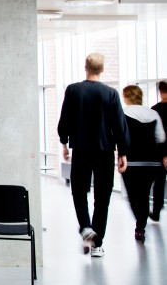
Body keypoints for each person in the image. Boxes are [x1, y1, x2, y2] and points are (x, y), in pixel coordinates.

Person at [57, 53, 130, 258]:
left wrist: (64, 142)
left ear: (85, 67)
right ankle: (97, 244)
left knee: (79, 191)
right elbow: (119, 126)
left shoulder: (73, 90)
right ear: (102, 69)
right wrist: (122, 152)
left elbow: (65, 120)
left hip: (81, 150)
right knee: (102, 197)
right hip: (105, 151)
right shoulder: (111, 94)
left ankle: (86, 227)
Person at [120, 85, 165, 243]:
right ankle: (141, 226)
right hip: (152, 163)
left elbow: (117, 136)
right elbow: (160, 138)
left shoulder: (122, 113)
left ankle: (139, 222)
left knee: (133, 197)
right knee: (144, 195)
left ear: (126, 97)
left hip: (130, 162)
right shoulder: (153, 114)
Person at [149, 81, 167, 222]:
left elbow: (155, 136)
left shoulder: (154, 110)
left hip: (160, 152)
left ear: (160, 91)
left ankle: (156, 211)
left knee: (159, 182)